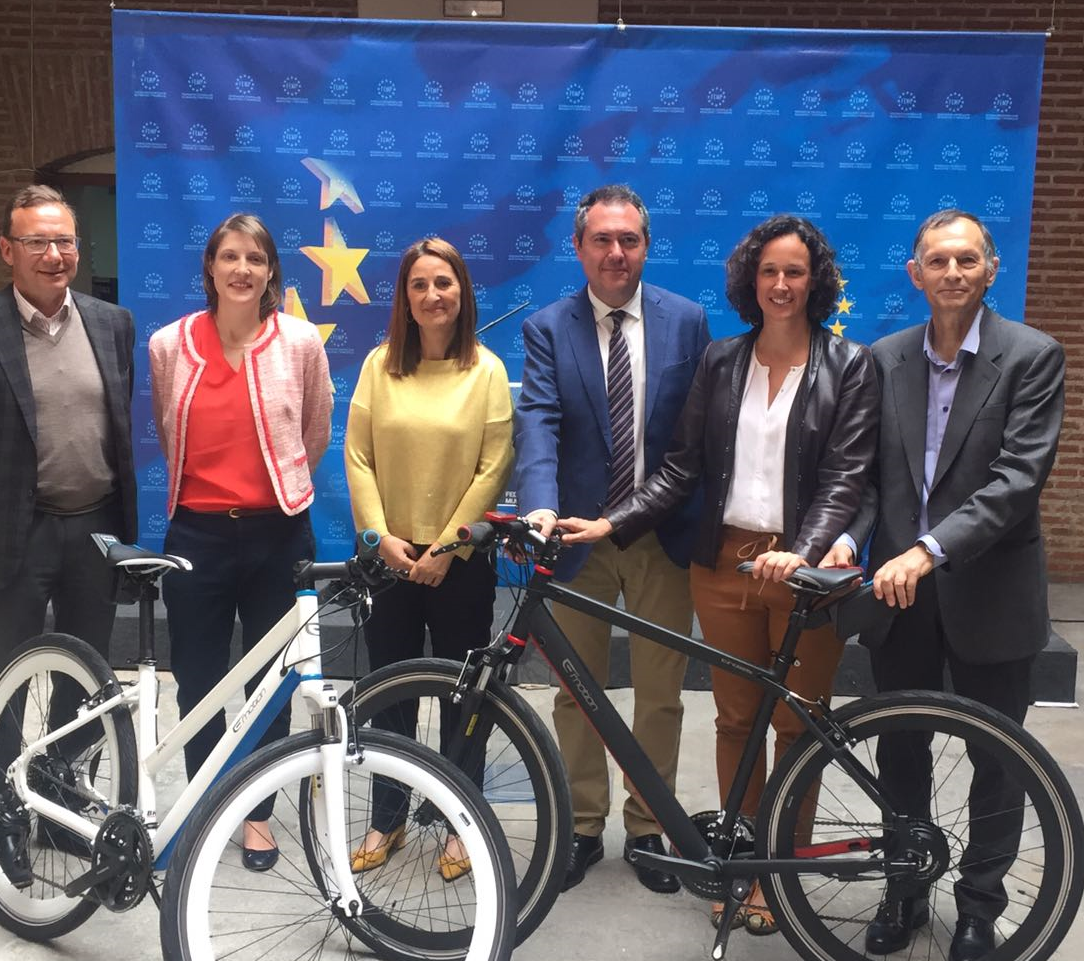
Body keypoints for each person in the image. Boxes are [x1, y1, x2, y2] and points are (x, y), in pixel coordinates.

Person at [561, 214, 879, 932]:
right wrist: (613, 523)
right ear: (750, 281)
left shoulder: (850, 364)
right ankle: (742, 867)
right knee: (736, 721)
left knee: (797, 726)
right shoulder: (723, 361)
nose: (781, 284)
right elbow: (682, 468)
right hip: (724, 565)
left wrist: (805, 549)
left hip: (801, 570)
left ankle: (782, 876)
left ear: (816, 282)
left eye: (795, 272)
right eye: (769, 271)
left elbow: (846, 477)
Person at [823, 208, 1065, 961]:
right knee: (901, 747)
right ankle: (905, 889)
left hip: (991, 592)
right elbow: (868, 479)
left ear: (991, 268)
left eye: (966, 259)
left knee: (998, 759)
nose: (952, 272)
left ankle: (979, 909)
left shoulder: (1032, 357)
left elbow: (1016, 481)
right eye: (938, 260)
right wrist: (846, 538)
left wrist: (926, 552)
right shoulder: (884, 358)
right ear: (915, 273)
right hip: (899, 598)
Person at [514, 184, 712, 894]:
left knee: (661, 693)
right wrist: (540, 508)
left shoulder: (687, 321)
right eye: (602, 239)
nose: (616, 252)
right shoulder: (548, 327)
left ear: (646, 246)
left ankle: (651, 829)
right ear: (579, 248)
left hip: (661, 536)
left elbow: (696, 435)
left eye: (629, 239)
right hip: (575, 538)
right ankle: (582, 826)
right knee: (577, 692)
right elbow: (538, 421)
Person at [0, 184, 137, 767]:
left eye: (64, 241)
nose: (53, 255)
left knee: (84, 680)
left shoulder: (112, 324)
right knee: (0, 681)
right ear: (7, 249)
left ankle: (64, 790)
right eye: (36, 242)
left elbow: (116, 420)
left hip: (95, 531)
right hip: (10, 530)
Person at [148, 213, 332, 871]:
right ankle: (203, 807)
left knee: (270, 684)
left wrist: (272, 492)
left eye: (255, 258)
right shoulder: (168, 346)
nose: (242, 269)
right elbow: (168, 431)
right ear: (210, 267)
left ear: (271, 270)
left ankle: (255, 815)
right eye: (229, 256)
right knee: (197, 681)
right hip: (195, 535)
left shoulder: (301, 343)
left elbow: (313, 432)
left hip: (278, 535)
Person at [343, 238, 515, 881]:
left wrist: (448, 547)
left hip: (460, 565)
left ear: (462, 291)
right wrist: (379, 536)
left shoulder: (487, 371)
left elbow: (493, 466)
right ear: (405, 298)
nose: (432, 295)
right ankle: (387, 816)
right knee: (390, 694)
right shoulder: (379, 365)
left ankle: (459, 822)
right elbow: (358, 455)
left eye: (444, 282)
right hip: (390, 558)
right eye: (419, 284)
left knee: (462, 700)